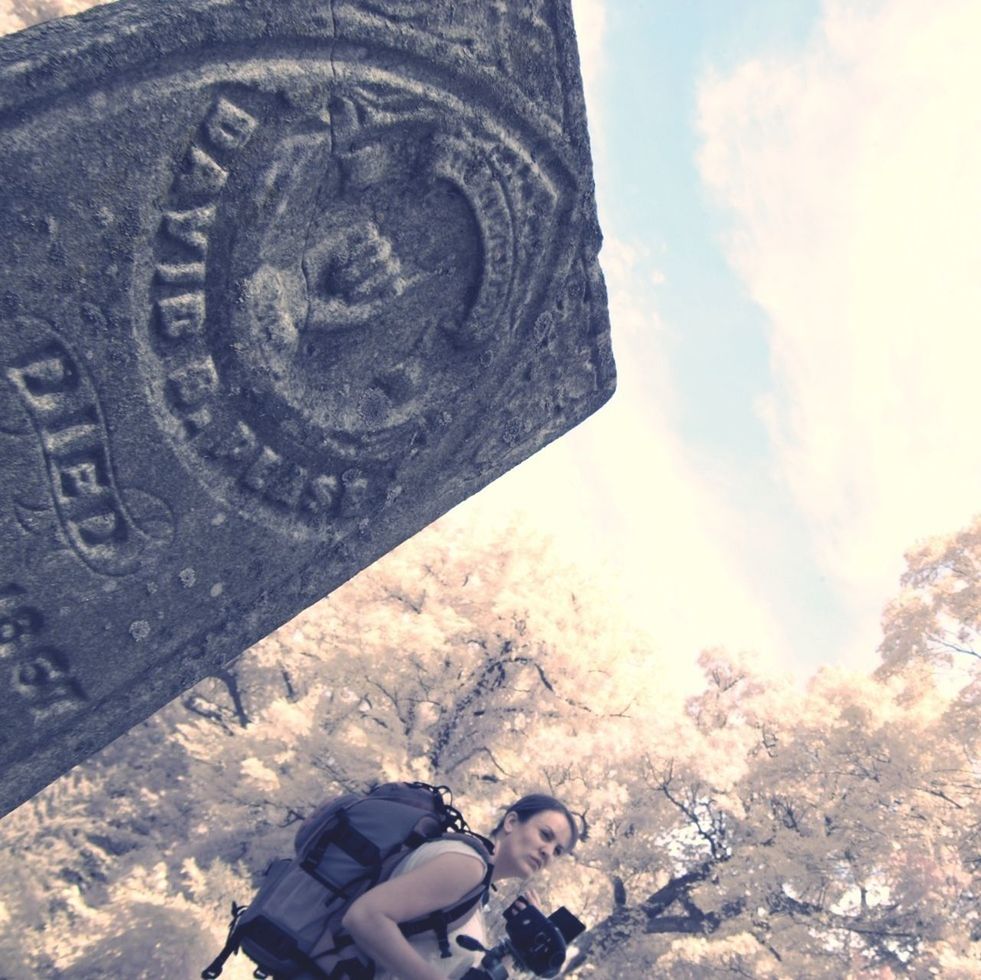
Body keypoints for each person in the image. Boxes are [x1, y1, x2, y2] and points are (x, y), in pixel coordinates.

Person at [340, 794, 579, 980]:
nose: (548, 852)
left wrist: (515, 952)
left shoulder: (477, 895)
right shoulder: (468, 865)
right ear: (511, 822)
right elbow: (365, 917)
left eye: (558, 851)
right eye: (545, 835)